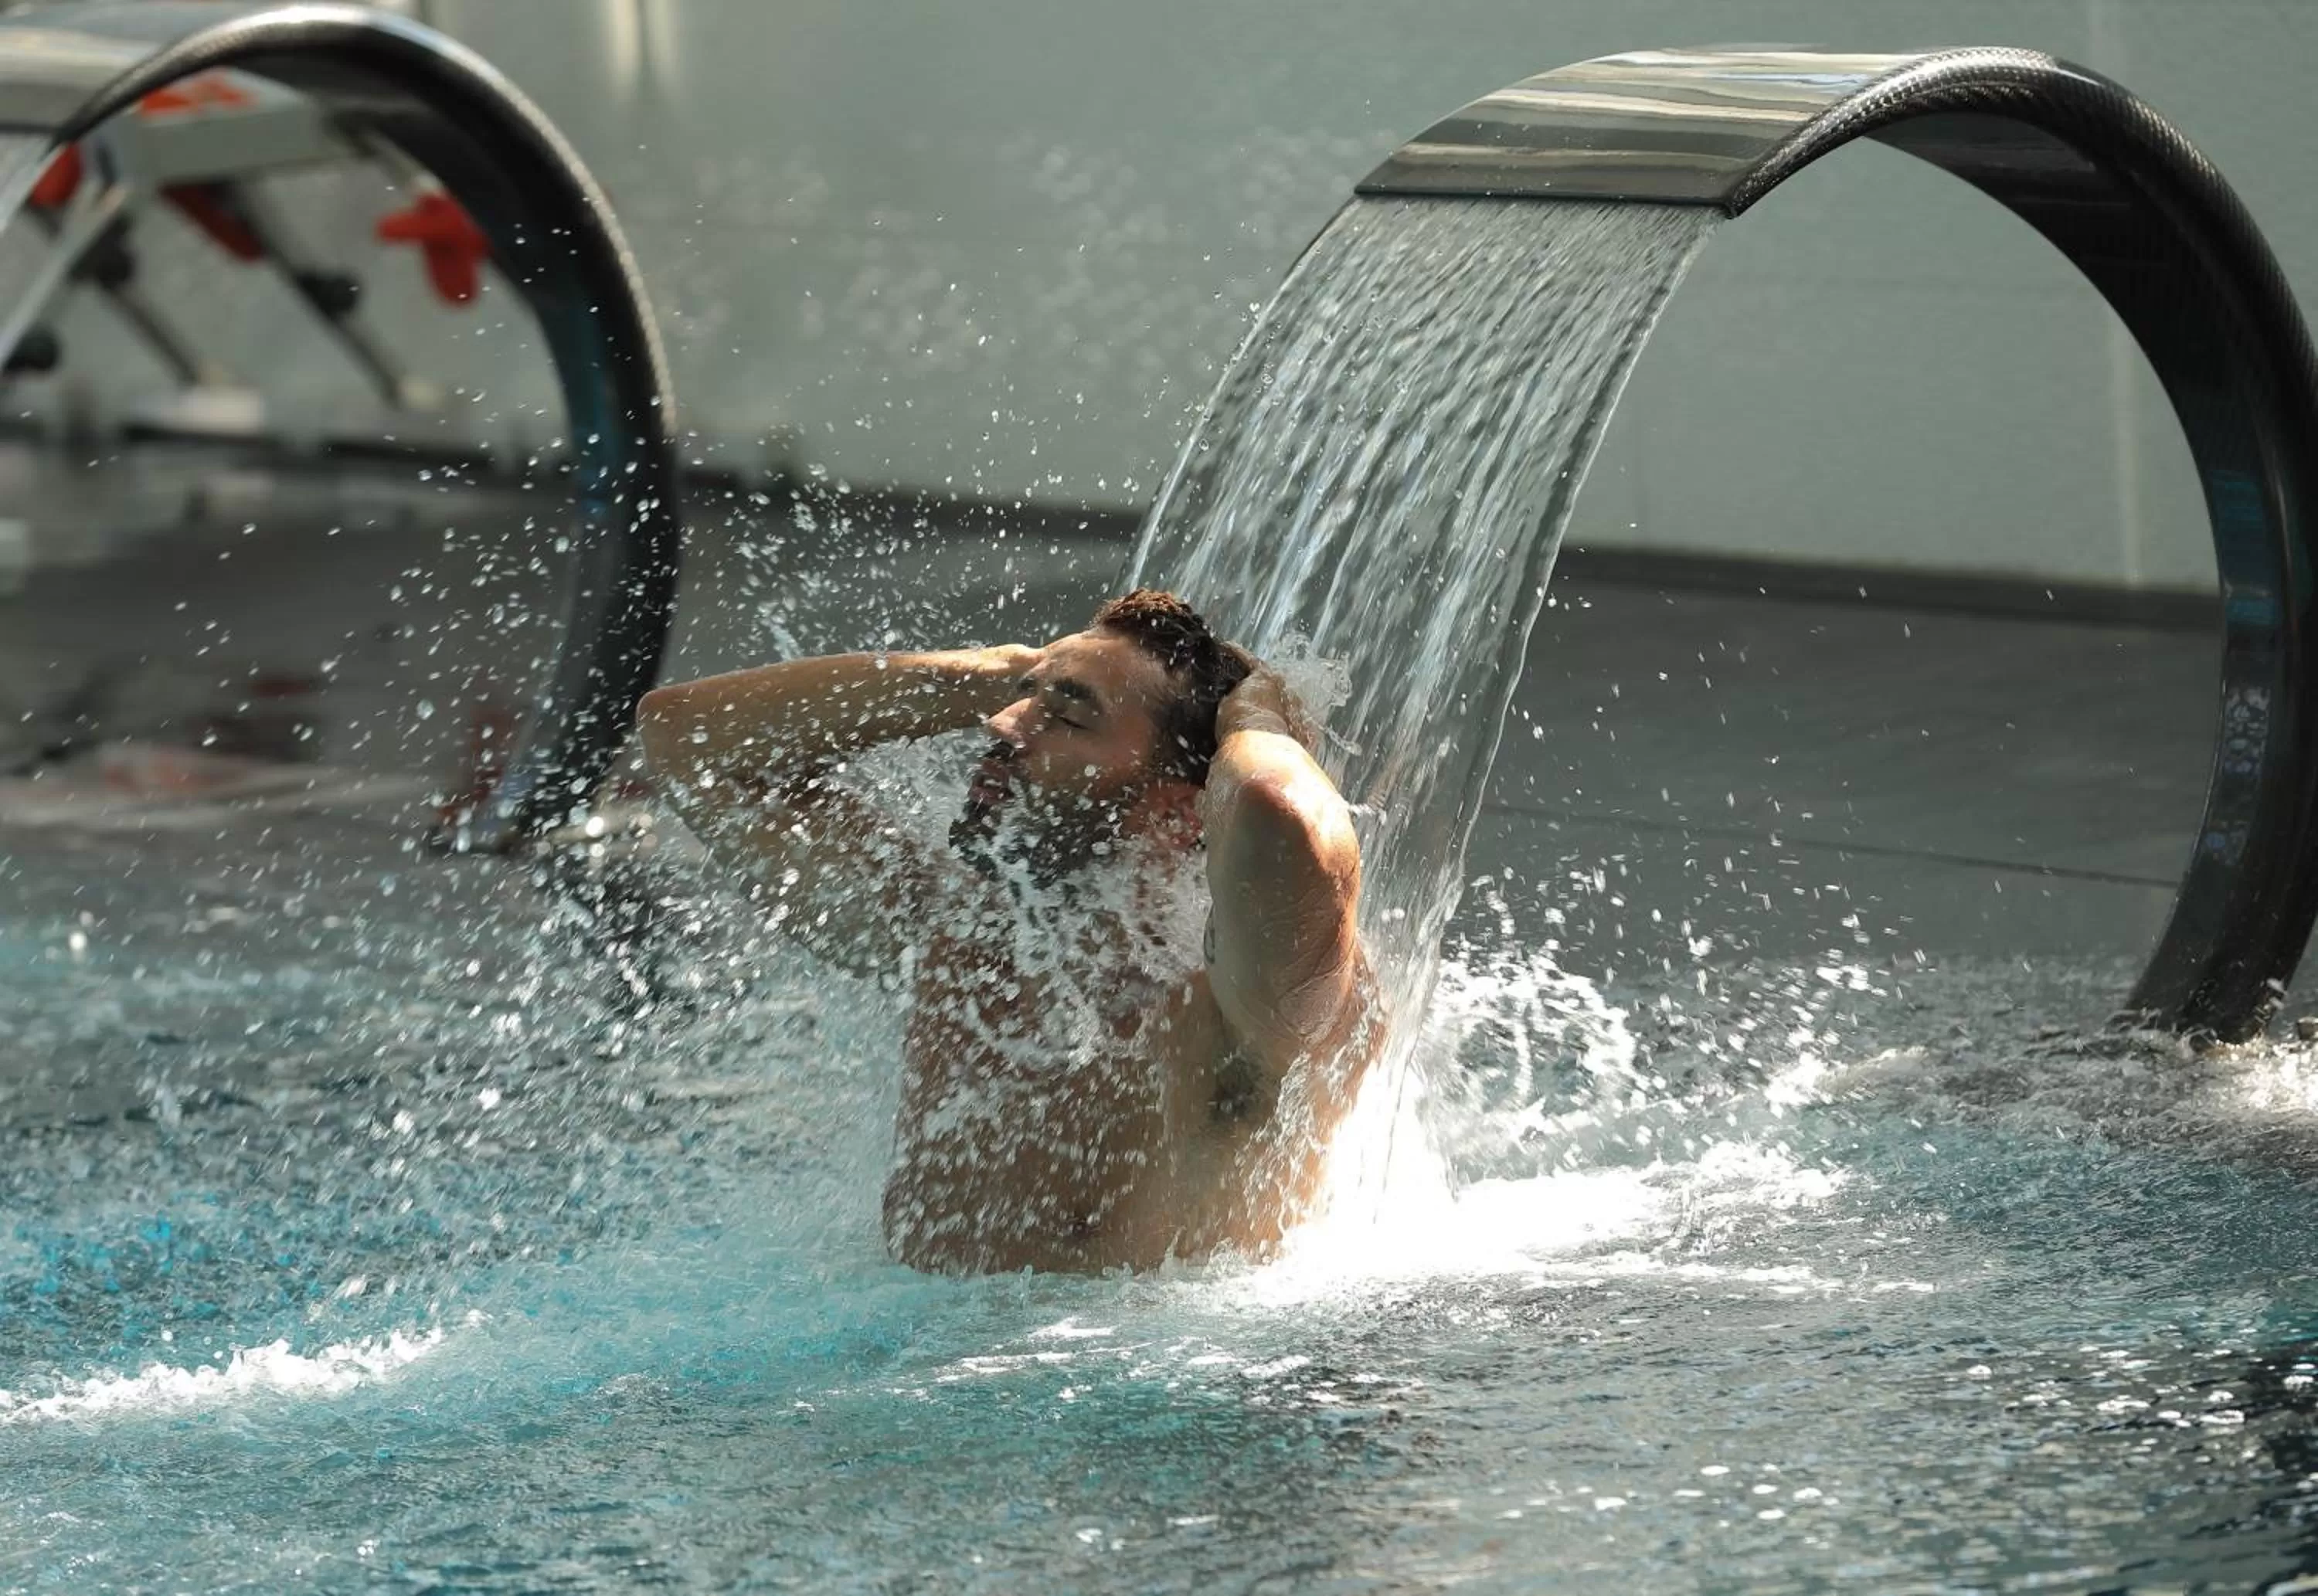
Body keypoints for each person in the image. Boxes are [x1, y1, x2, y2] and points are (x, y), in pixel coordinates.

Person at [634, 589, 1378, 1273]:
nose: (1000, 725)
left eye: (1070, 718)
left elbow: (1282, 815)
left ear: (1182, 813)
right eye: (1022, 700)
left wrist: (1257, 719)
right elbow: (687, 742)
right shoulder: (961, 932)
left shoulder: (1243, 1001)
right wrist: (1000, 674)